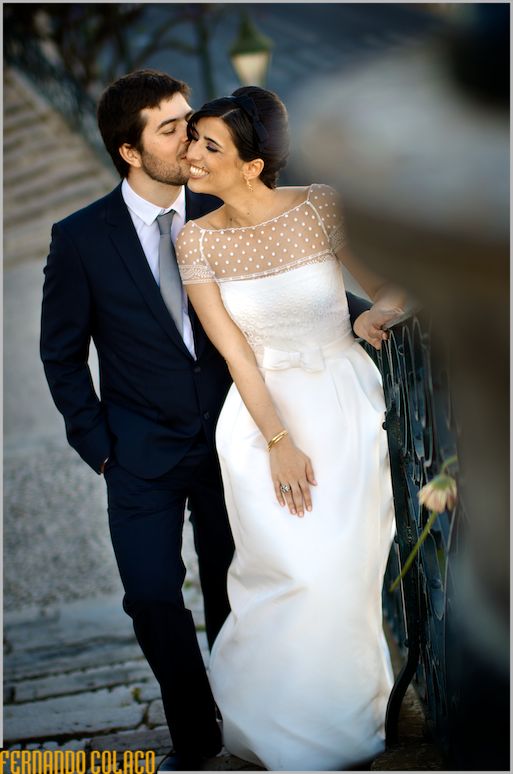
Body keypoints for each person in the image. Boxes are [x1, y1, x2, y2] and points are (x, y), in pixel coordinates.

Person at [39, 70, 373, 772]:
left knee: (242, 589)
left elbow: (296, 272)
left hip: (236, 438)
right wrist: (100, 448)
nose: (189, 136)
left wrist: (359, 316)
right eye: (171, 128)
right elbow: (61, 354)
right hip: (138, 452)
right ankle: (195, 731)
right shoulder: (80, 240)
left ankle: (247, 712)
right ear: (130, 152)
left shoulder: (222, 197)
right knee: (152, 594)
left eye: (192, 121)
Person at [175, 85, 405, 771]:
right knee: (287, 572)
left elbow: (390, 285)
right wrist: (277, 442)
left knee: (341, 572)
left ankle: (349, 719)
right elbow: (235, 352)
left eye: (207, 145)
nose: (189, 153)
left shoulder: (319, 206)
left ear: (252, 164)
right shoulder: (196, 240)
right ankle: (272, 722)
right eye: (192, 140)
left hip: (342, 404)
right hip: (259, 422)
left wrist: (368, 317)